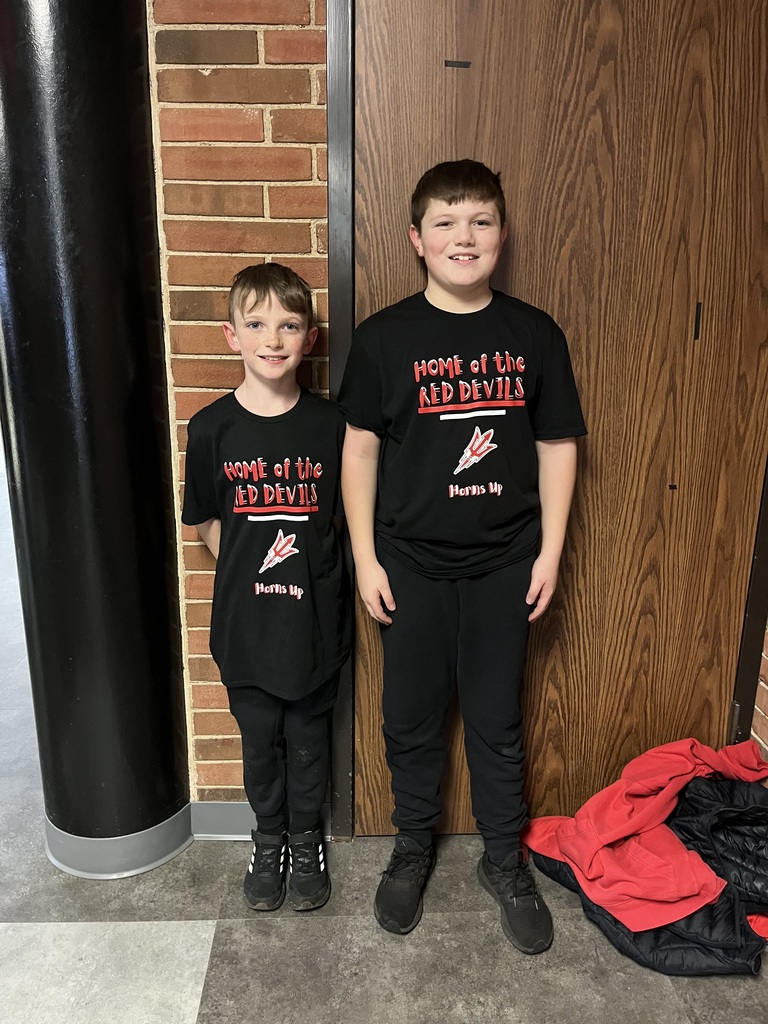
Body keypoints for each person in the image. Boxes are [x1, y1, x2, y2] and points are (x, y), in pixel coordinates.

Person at [338, 159, 586, 953]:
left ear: (502, 234)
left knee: (495, 719)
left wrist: (550, 550)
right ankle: (413, 850)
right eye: (444, 222)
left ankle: (504, 860)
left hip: (506, 562)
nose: (463, 236)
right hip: (407, 563)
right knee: (409, 718)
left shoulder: (534, 333)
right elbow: (359, 452)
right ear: (416, 239)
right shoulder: (383, 339)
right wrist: (365, 558)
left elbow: (557, 444)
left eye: (479, 220)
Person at [182, 263, 349, 913]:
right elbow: (208, 524)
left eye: (288, 324)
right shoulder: (210, 430)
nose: (272, 339)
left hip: (312, 625)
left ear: (309, 339)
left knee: (309, 744)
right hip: (245, 627)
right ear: (232, 335)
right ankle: (269, 839)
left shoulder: (331, 428)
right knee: (261, 746)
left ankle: (307, 843)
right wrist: (255, 574)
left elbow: (341, 519)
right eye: (256, 324)